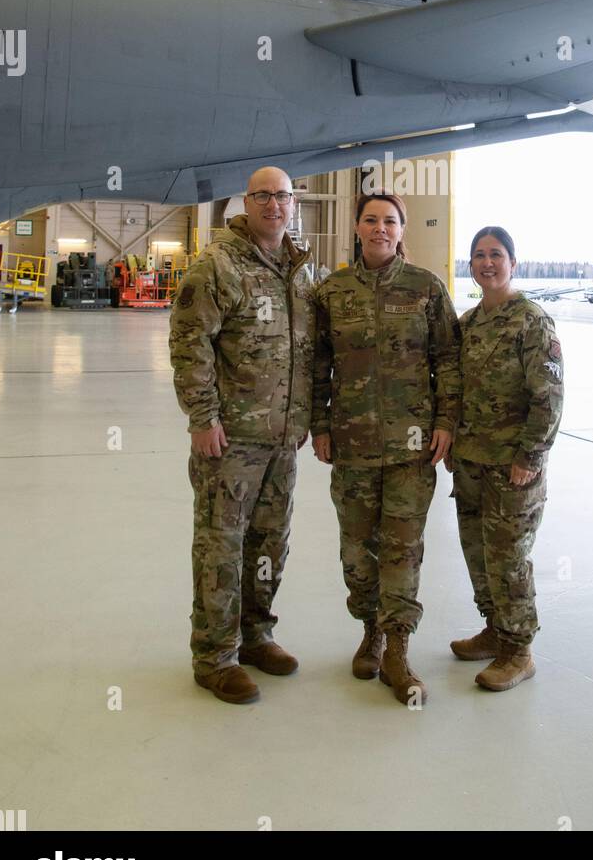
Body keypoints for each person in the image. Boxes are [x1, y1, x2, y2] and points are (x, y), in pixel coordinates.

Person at [170, 167, 314, 705]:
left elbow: (305, 348)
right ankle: (214, 656)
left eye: (282, 196)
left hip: (281, 441)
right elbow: (189, 344)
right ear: (246, 203)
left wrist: (301, 419)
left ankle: (256, 636)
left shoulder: (298, 268)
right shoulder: (218, 265)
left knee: (268, 545)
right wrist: (203, 419)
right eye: (263, 196)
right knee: (221, 547)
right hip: (230, 442)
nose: (273, 204)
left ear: (293, 204)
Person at [311, 193, 461, 707]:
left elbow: (449, 359)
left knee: (402, 548)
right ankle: (369, 629)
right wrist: (319, 425)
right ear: (356, 227)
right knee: (357, 550)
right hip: (350, 445)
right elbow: (318, 364)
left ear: (401, 231)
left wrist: (445, 421)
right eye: (371, 219)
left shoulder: (426, 288)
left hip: (411, 447)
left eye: (390, 221)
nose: (380, 228)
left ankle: (396, 645)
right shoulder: (331, 291)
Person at [450, 227, 563, 692]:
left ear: (512, 263)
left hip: (513, 466)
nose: (487, 263)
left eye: (496, 255)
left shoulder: (531, 321)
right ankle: (495, 627)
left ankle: (519, 650)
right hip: (471, 462)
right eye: (479, 256)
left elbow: (550, 396)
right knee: (477, 552)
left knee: (508, 558)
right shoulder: (468, 324)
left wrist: (530, 455)